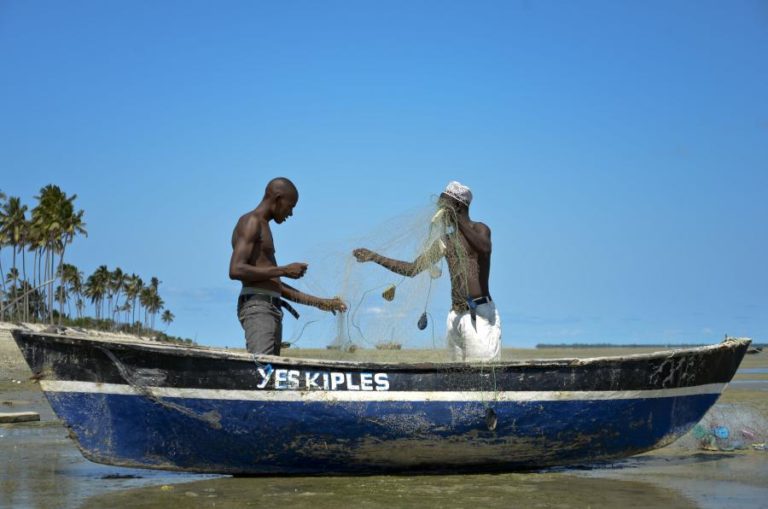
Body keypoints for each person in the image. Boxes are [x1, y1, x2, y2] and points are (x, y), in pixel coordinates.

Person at [353, 181, 500, 361]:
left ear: (457, 206)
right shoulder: (446, 240)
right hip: (455, 315)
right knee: (458, 374)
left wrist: (457, 218)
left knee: (481, 372)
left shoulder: (480, 229)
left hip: (479, 314)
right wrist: (374, 257)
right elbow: (412, 269)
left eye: (443, 205)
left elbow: (484, 248)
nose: (438, 209)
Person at [229, 177, 346, 355]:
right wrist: (283, 269)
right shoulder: (251, 222)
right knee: (263, 369)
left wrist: (321, 303)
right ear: (277, 199)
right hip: (258, 307)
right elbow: (236, 269)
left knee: (272, 373)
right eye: (290, 206)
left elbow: (275, 284)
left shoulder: (264, 226)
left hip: (271, 307)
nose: (290, 213)